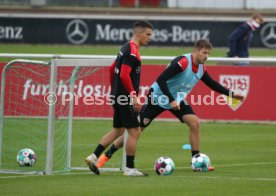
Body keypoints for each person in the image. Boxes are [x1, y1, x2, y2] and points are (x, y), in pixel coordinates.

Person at [97, 39, 244, 171]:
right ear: (196, 51)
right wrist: (171, 99)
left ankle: (196, 161)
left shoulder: (200, 68)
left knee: (195, 123)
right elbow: (161, 79)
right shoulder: (183, 62)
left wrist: (231, 94)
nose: (206, 56)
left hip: (176, 100)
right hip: (157, 97)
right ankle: (105, 156)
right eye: (204, 52)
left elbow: (212, 84)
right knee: (135, 131)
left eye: (208, 54)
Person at [85, 20, 153, 176]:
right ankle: (129, 169)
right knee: (135, 131)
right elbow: (123, 74)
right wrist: (133, 96)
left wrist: (114, 90)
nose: (150, 38)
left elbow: (111, 69)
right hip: (126, 97)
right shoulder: (132, 51)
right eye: (148, 34)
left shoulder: (125, 47)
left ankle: (94, 156)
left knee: (118, 130)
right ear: (139, 33)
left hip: (118, 95)